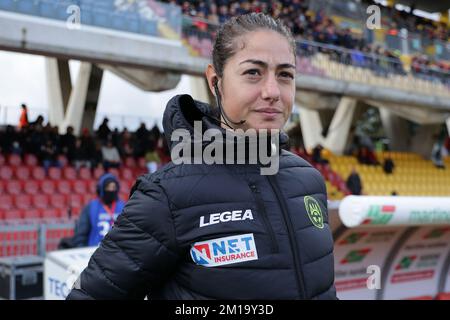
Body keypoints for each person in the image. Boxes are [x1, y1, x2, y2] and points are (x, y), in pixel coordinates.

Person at [67, 13, 337, 300]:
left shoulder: (309, 180)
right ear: (215, 81)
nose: (272, 91)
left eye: (285, 74)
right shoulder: (167, 195)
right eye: (253, 73)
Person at [71, 174, 126, 248]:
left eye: (113, 187)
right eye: (108, 187)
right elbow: (81, 234)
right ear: (101, 189)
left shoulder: (124, 207)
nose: (111, 190)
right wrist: (81, 249)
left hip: (118, 252)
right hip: (94, 252)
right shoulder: (91, 207)